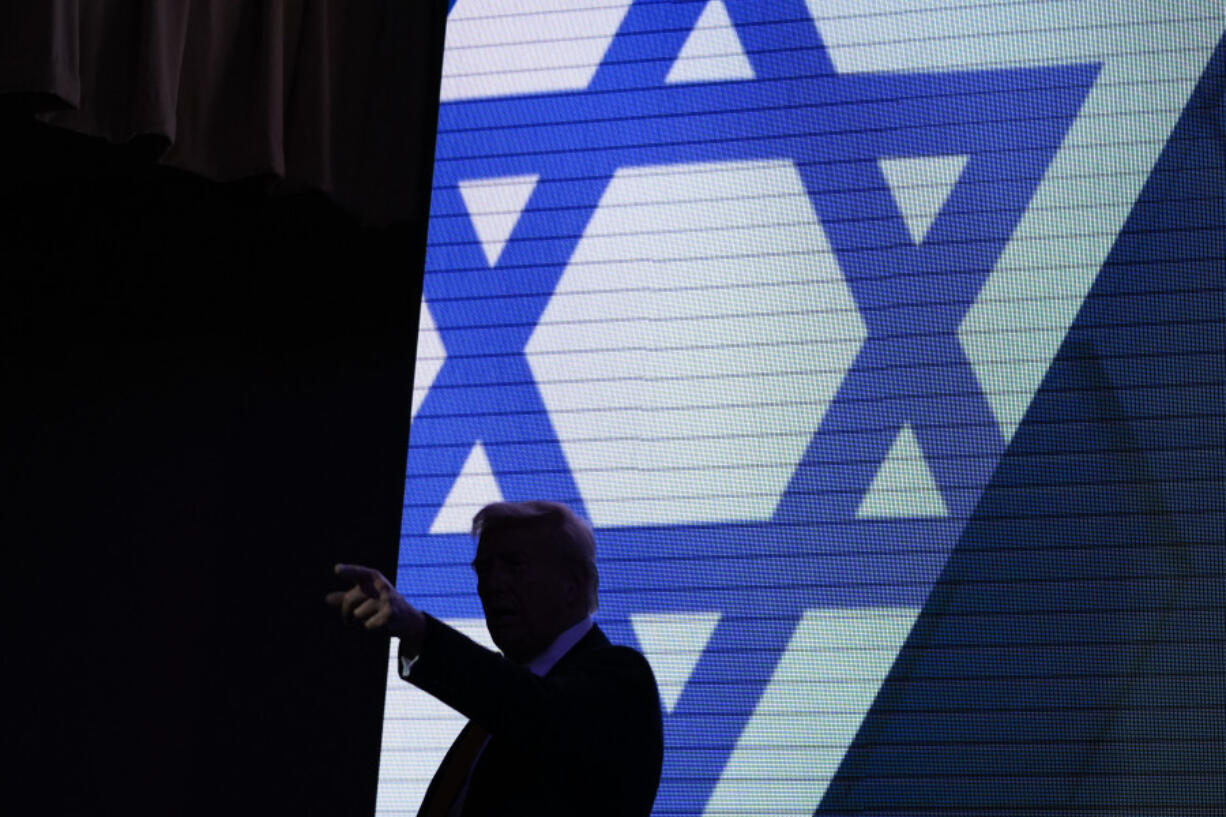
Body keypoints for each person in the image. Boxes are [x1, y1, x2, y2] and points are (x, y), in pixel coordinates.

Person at [326, 500, 663, 817]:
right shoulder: (495, 714)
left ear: (573, 585)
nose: (492, 584)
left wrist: (419, 631)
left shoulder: (619, 680)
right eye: (483, 569)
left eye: (514, 565)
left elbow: (532, 710)